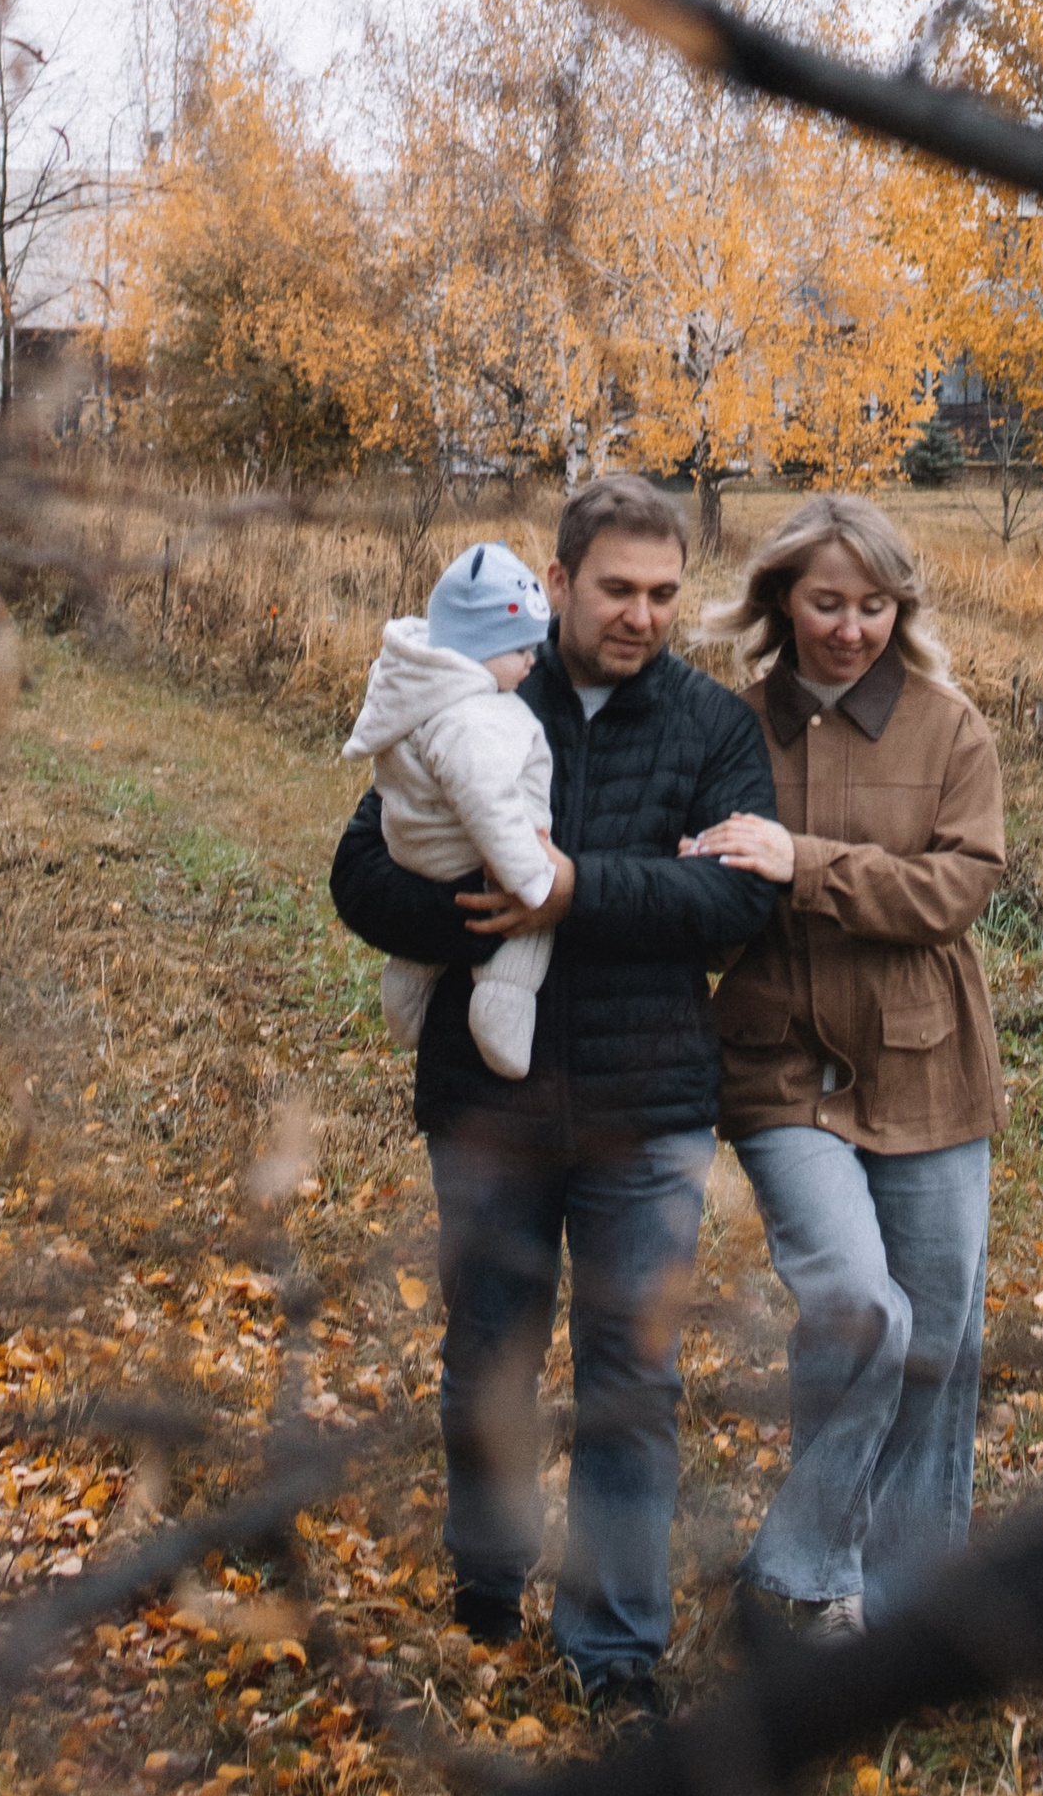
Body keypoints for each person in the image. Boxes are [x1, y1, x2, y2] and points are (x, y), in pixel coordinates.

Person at [330, 474, 776, 1714]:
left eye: (663, 592)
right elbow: (360, 870)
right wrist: (485, 916)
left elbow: (739, 895)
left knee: (632, 1377)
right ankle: (486, 1578)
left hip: (649, 1101)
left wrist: (577, 891)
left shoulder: (709, 726)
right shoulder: (470, 692)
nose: (641, 614)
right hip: (487, 1099)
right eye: (618, 589)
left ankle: (616, 1647)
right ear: (560, 579)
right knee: (488, 1349)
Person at [681, 494, 1005, 1640]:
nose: (851, 628)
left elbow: (951, 891)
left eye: (874, 604)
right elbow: (714, 915)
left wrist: (800, 862)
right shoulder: (726, 728)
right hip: (778, 1064)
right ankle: (804, 1577)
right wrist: (699, 882)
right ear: (781, 600)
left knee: (938, 1337)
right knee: (861, 1309)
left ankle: (907, 1613)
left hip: (926, 1067)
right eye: (827, 601)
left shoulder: (949, 727)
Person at [341, 540, 557, 1080]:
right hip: (465, 860)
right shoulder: (471, 718)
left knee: (424, 944)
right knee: (527, 929)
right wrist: (533, 880)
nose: (534, 660)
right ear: (477, 650)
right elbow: (489, 804)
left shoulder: (419, 688)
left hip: (413, 854)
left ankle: (408, 986)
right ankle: (500, 1010)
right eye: (520, 650)